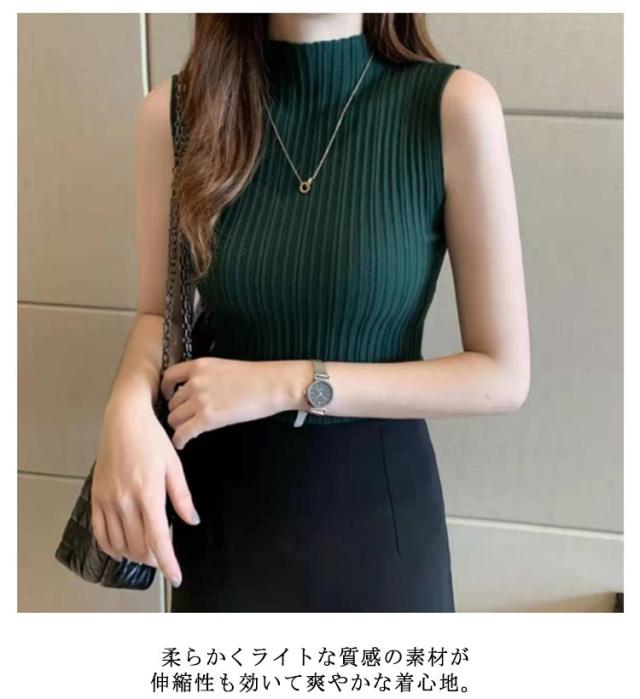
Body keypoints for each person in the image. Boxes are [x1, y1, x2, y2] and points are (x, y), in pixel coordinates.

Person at [90, 12, 530, 612]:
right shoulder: (178, 113)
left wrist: (291, 383)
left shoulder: (452, 107)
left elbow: (502, 375)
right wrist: (124, 407)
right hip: (223, 515)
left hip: (379, 522)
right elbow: (159, 314)